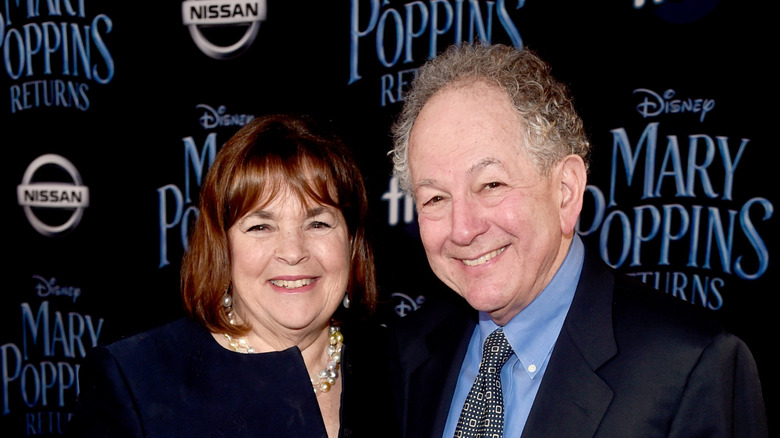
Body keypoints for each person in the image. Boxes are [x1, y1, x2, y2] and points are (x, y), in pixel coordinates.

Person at [387, 42, 768, 437]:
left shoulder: (690, 366)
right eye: (435, 198)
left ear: (566, 191)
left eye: (491, 184)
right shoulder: (405, 354)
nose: (462, 229)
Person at [66, 114, 398, 437]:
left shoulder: (400, 368)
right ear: (222, 246)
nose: (294, 251)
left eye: (318, 223)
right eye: (261, 226)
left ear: (352, 241)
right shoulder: (137, 380)